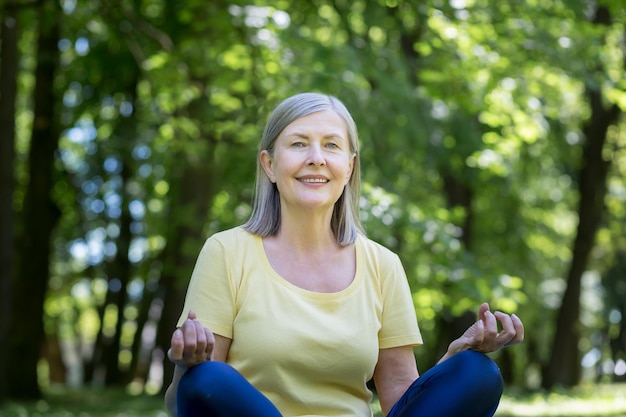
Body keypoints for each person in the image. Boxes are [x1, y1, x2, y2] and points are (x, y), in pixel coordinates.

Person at [164, 92, 524, 417]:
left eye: (331, 146)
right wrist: (186, 368)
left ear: (349, 167)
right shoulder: (227, 252)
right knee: (207, 377)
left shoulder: (382, 265)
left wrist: (452, 359)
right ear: (269, 165)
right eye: (299, 144)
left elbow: (402, 401)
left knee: (477, 372)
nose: (316, 159)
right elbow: (192, 398)